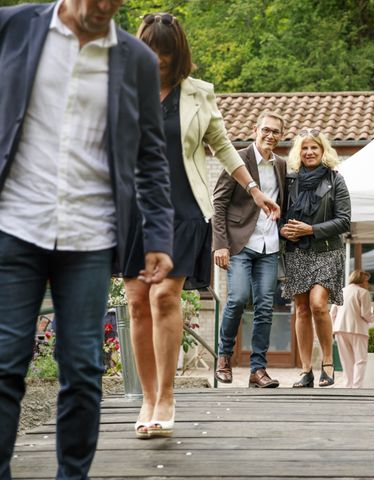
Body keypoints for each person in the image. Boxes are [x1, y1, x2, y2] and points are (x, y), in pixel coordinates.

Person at [0, 0, 174, 477]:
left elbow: (151, 155)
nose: (103, 5)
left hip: (90, 237)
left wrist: (158, 234)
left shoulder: (135, 59)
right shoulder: (13, 26)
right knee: (5, 363)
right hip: (15, 224)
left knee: (83, 370)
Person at [124, 14, 281, 439]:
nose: (156, 61)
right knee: (137, 301)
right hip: (131, 209)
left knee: (163, 297)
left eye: (165, 54)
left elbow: (224, 147)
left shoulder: (198, 94)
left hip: (180, 208)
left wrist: (253, 190)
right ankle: (147, 395)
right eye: (150, 52)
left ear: (178, 55)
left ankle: (166, 397)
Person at [213, 111, 287, 388]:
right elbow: (218, 203)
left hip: (269, 246)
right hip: (240, 244)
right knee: (238, 297)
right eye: (266, 130)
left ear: (281, 137)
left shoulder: (280, 165)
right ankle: (224, 356)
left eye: (276, 132)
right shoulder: (239, 159)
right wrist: (219, 245)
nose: (270, 135)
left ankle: (258, 369)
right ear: (255, 130)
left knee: (266, 307)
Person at [280, 128, 351, 388]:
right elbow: (279, 215)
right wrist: (284, 230)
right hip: (297, 251)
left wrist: (311, 230)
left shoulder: (335, 179)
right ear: (298, 152)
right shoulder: (290, 181)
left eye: (314, 148)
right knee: (300, 309)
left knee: (318, 305)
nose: (309, 152)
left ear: (323, 152)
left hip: (327, 250)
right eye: (305, 148)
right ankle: (306, 370)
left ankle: (328, 362)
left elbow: (344, 221)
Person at [330, 270, 374, 388]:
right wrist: (373, 316)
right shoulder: (363, 292)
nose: (367, 283)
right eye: (366, 280)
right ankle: (357, 386)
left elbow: (332, 313)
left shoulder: (341, 291)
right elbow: (365, 313)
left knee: (346, 360)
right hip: (358, 329)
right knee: (360, 359)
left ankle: (348, 385)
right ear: (360, 280)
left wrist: (333, 327)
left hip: (340, 329)